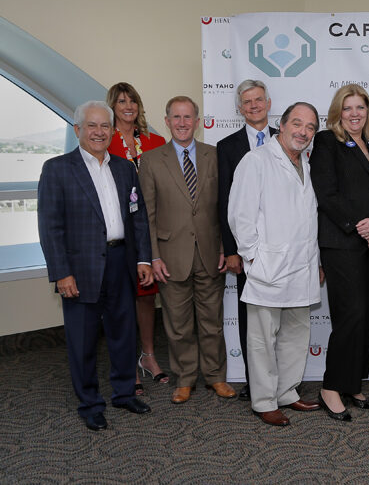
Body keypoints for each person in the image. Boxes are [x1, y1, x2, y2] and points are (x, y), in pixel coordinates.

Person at [38, 101, 153, 430]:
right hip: (80, 267)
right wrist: (61, 272)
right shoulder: (57, 169)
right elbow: (51, 227)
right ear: (78, 130)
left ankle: (124, 393)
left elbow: (139, 217)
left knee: (123, 333)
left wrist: (143, 258)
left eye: (105, 126)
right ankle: (89, 403)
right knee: (83, 339)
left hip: (122, 262)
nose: (99, 132)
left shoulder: (124, 167)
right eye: (92, 126)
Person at [228, 102, 323, 426]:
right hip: (269, 267)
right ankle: (264, 400)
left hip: (303, 266)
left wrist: (317, 261)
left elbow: (309, 220)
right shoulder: (256, 161)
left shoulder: (305, 164)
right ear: (280, 125)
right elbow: (240, 216)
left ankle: (287, 392)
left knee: (296, 335)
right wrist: (254, 259)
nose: (303, 132)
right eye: (297, 124)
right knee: (262, 338)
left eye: (310, 127)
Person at [138, 96, 235, 404]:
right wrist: (153, 255)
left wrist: (224, 246)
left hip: (210, 253)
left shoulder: (214, 155)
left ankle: (216, 377)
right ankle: (185, 378)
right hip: (169, 257)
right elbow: (147, 215)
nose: (182, 123)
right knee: (178, 326)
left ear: (197, 121)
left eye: (188, 117)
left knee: (211, 323)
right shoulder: (152, 160)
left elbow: (225, 208)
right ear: (167, 121)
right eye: (176, 117)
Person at [309, 84, 369, 421]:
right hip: (343, 242)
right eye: (348, 108)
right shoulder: (327, 142)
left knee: (367, 314)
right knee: (350, 314)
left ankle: (351, 380)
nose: (355, 114)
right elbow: (327, 193)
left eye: (360, 107)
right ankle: (331, 385)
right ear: (338, 112)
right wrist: (362, 227)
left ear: (368, 111)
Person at [105, 82, 169, 396]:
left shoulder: (155, 141)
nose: (128, 105)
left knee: (146, 296)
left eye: (132, 100)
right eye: (121, 101)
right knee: (122, 299)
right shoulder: (104, 141)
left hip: (151, 231)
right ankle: (127, 361)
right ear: (112, 106)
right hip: (119, 232)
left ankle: (148, 356)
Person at [217, 79, 277, 401]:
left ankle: (280, 380)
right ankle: (256, 383)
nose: (253, 106)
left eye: (258, 100)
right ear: (239, 108)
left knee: (281, 316)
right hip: (247, 251)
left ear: (268, 103)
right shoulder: (227, 147)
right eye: (247, 102)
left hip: (284, 248)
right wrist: (231, 251)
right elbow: (225, 203)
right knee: (249, 317)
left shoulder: (288, 139)